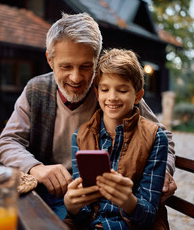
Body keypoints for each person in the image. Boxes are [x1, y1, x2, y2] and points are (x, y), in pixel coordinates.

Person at [0, 13, 176, 220]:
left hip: (90, 200)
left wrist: (164, 172)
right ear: (50, 60)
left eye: (86, 66)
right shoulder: (36, 90)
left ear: (96, 60)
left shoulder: (110, 93)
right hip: (44, 189)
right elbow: (7, 141)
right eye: (66, 66)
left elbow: (163, 138)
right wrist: (36, 168)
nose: (76, 77)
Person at [64, 48, 168, 229]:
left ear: (138, 96)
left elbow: (148, 215)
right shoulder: (80, 136)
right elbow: (83, 214)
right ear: (97, 94)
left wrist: (129, 202)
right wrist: (73, 206)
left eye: (122, 90)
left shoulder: (155, 137)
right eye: (105, 89)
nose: (112, 97)